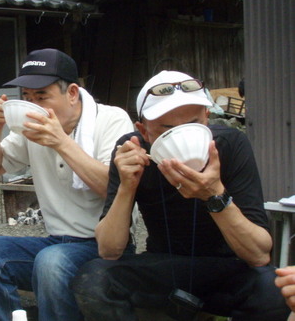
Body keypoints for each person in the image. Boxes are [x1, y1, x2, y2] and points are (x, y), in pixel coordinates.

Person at [72, 70, 290, 321]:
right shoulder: (132, 151)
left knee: (273, 292)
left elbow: (259, 255)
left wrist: (214, 195)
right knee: (95, 280)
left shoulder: (230, 144)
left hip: (228, 268)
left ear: (207, 117)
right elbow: (109, 251)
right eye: (168, 129)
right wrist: (126, 186)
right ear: (144, 131)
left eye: (193, 125)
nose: (183, 136)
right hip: (164, 265)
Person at [0, 48, 134, 321]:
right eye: (27, 97)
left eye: (42, 96)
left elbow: (113, 189)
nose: (33, 104)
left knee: (52, 261)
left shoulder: (111, 120)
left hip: (105, 246)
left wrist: (61, 142)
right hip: (56, 242)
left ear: (72, 93)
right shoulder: (32, 128)